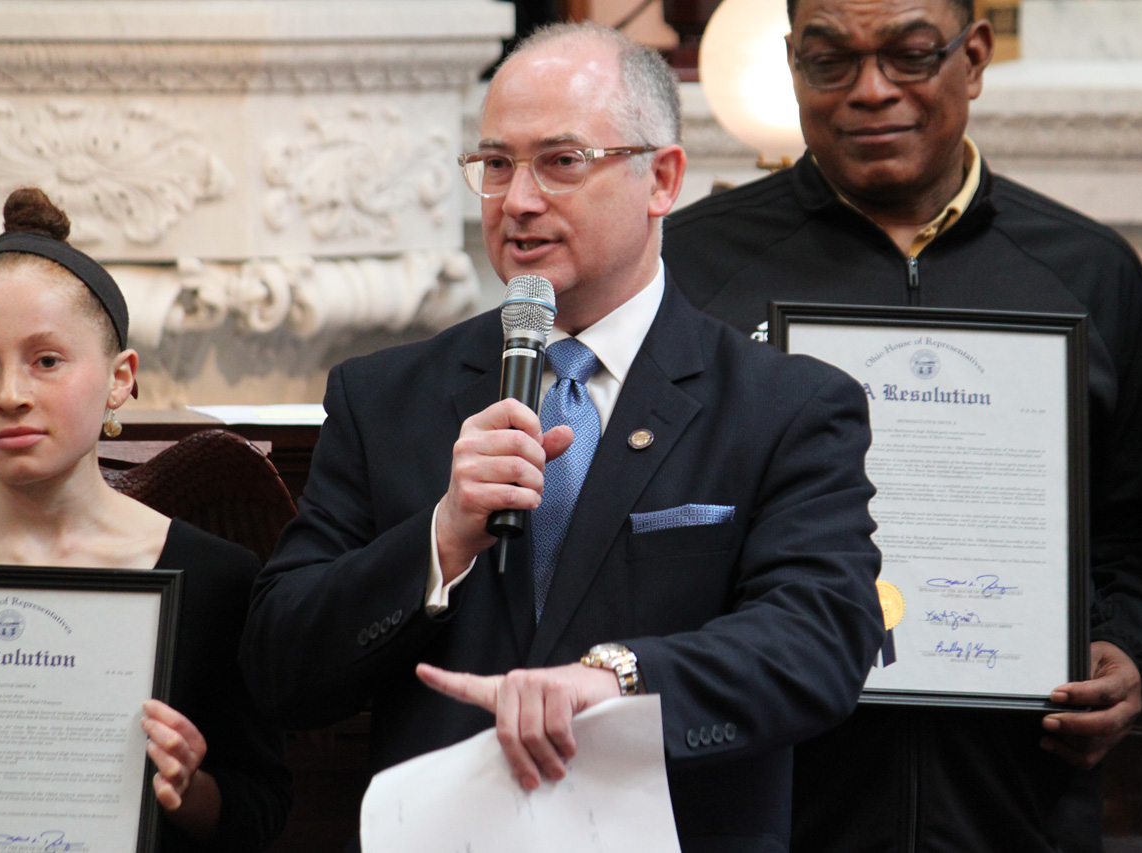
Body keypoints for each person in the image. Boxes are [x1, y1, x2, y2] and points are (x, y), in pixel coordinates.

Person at [241, 22, 884, 853]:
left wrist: (615, 677)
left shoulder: (784, 406)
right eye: (496, 164)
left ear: (663, 178)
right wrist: (440, 539)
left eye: (562, 161)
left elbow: (819, 642)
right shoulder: (386, 395)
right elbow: (278, 666)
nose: (518, 200)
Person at [661, 0, 1142, 849]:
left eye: (909, 55)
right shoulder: (688, 270)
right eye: (830, 61)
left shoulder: (1087, 272)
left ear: (973, 58)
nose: (870, 91)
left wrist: (1130, 654)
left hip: (1017, 804)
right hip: (768, 803)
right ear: (793, 62)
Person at [0, 188, 292, 853]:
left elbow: (260, 808)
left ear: (119, 378)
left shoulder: (216, 578)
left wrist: (189, 788)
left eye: (47, 360)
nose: (12, 395)